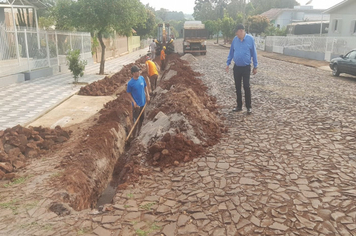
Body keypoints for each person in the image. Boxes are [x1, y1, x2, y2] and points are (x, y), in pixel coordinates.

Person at [226, 24, 258, 114]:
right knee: (237, 87)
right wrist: (228, 63)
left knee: (246, 86)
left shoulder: (250, 39)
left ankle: (249, 107)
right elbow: (231, 52)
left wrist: (255, 66)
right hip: (237, 67)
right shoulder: (235, 40)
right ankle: (239, 106)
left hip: (246, 67)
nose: (236, 34)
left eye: (237, 32)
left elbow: (254, 53)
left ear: (241, 31)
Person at [127, 65, 150, 136]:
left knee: (142, 120)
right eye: (137, 71)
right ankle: (133, 136)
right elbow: (128, 93)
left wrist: (147, 95)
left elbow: (145, 87)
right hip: (136, 106)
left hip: (143, 103)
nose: (139, 72)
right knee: (135, 122)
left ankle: (139, 134)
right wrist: (134, 102)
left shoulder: (142, 78)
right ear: (133, 73)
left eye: (139, 71)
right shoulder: (130, 83)